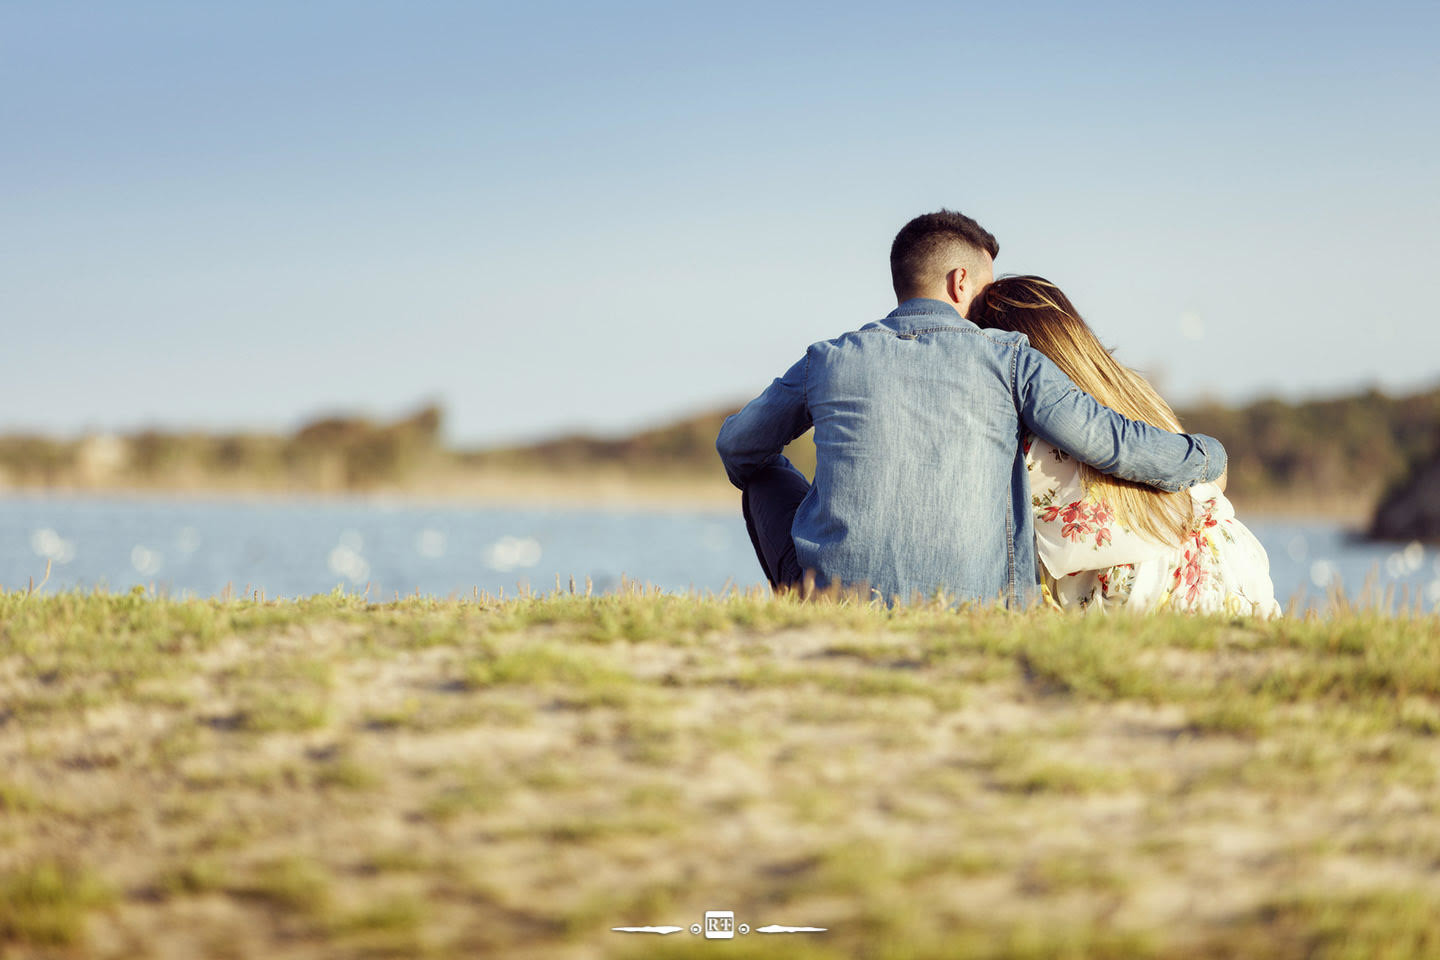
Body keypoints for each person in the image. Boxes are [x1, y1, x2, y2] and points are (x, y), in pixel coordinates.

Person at [715, 210, 1229, 607]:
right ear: (960, 281)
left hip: (834, 600)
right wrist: (1207, 455)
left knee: (761, 477)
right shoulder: (1008, 358)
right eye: (986, 287)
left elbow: (738, 447)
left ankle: (812, 602)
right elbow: (1112, 443)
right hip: (983, 605)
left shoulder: (828, 359)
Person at [969, 275, 1281, 616]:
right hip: (1232, 569)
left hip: (1142, 597)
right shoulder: (1130, 388)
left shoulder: (1020, 431)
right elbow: (1212, 482)